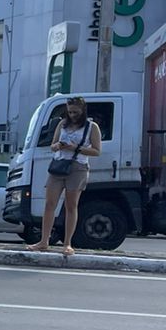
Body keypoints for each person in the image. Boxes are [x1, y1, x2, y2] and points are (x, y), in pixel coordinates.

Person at [30, 95, 101, 256]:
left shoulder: (91, 127)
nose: (72, 115)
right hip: (58, 165)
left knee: (71, 205)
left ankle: (67, 243)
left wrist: (75, 148)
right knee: (50, 203)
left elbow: (97, 151)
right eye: (70, 112)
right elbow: (53, 145)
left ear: (83, 111)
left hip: (78, 167)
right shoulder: (62, 124)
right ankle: (44, 241)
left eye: (75, 112)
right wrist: (58, 146)